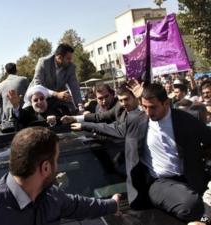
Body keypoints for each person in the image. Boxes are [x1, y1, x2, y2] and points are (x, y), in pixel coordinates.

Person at [69, 83, 211, 222]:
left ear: (166, 103)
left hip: (191, 180)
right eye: (144, 107)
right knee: (190, 204)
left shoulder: (186, 120)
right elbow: (112, 129)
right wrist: (83, 124)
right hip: (158, 183)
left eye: (153, 107)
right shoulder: (137, 121)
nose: (148, 112)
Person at [0, 127, 120, 225]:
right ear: (46, 168)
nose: (58, 167)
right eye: (56, 160)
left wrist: (112, 204)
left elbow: (77, 205)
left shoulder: (50, 196)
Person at [27, 43, 82, 111]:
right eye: (68, 59)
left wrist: (80, 105)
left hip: (58, 98)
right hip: (38, 97)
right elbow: (38, 85)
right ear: (59, 57)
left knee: (72, 110)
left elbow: (74, 86)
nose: (70, 61)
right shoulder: (43, 62)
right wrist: (56, 94)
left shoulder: (71, 67)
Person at [62, 84, 136, 125]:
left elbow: (101, 118)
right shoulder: (97, 107)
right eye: (100, 98)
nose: (104, 101)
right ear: (96, 99)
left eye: (106, 97)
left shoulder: (119, 105)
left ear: (113, 94)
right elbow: (96, 117)